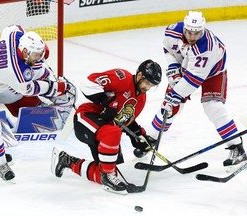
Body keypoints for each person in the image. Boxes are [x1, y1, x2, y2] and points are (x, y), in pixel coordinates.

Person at [0, 25, 71, 182]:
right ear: (25, 51)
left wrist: (48, 75)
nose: (38, 58)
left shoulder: (15, 38)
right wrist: (56, 87)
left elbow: (12, 28)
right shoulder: (12, 70)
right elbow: (29, 89)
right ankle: (0, 164)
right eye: (35, 55)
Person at [140, 11, 247, 168]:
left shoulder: (206, 48)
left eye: (197, 33)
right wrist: (173, 67)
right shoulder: (172, 31)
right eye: (190, 32)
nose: (193, 36)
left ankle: (237, 148)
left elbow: (193, 80)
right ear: (185, 29)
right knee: (168, 108)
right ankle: (150, 140)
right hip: (186, 66)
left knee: (213, 107)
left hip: (213, 72)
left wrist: (175, 95)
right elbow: (168, 49)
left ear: (202, 30)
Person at [51, 59, 162, 194]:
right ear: (139, 75)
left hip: (105, 131)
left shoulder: (141, 99)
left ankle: (67, 161)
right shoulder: (122, 77)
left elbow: (127, 121)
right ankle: (108, 176)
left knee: (105, 172)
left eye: (152, 85)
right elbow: (87, 84)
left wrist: (139, 136)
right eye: (147, 83)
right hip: (86, 117)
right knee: (113, 134)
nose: (148, 88)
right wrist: (106, 102)